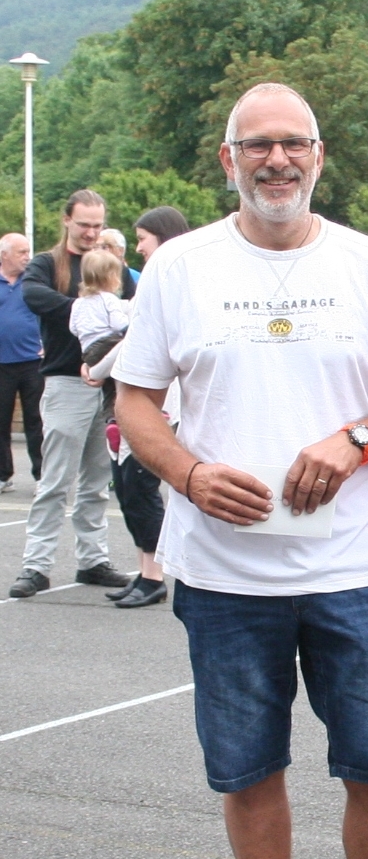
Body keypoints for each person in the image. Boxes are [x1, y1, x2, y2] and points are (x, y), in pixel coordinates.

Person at [113, 82, 368, 859]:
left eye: (294, 144)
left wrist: (353, 440)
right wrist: (187, 471)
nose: (277, 161)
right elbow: (134, 403)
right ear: (228, 160)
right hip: (223, 577)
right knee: (249, 770)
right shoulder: (181, 269)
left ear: (320, 156)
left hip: (352, 569)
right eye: (257, 146)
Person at [8, 191, 136, 599]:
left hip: (108, 387)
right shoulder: (48, 263)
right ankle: (36, 565)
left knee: (97, 482)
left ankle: (93, 559)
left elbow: (136, 304)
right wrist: (87, 311)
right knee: (54, 481)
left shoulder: (108, 265)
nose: (91, 233)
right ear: (67, 220)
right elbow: (33, 295)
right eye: (84, 225)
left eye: (98, 225)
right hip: (65, 382)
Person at [83, 207, 191, 609]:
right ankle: (145, 570)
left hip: (161, 407)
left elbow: (136, 343)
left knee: (141, 489)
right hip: (138, 401)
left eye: (143, 238)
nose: (139, 247)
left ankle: (155, 575)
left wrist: (96, 367)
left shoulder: (172, 280)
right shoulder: (158, 280)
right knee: (128, 489)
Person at [0, 232, 43, 490]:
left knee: (35, 419)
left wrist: (46, 344)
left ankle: (41, 475)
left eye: (28, 251)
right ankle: (3, 474)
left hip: (31, 361)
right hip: (2, 363)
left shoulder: (33, 282)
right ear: (4, 255)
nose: (27, 257)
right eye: (21, 252)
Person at [69, 250, 130, 352]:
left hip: (87, 351)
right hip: (107, 346)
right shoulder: (108, 299)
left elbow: (73, 329)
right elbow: (118, 325)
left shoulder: (78, 303)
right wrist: (130, 319)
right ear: (111, 277)